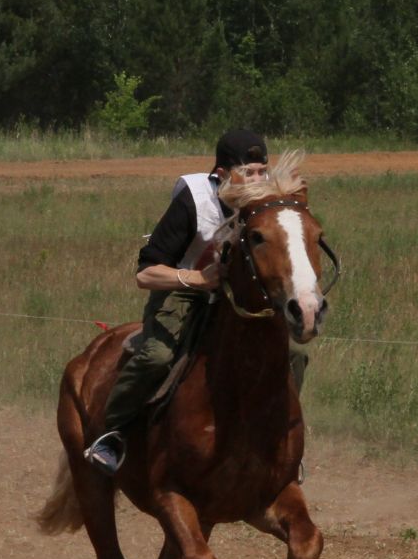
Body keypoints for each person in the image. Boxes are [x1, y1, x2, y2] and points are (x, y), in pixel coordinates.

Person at [82, 128, 306, 476]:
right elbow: (145, 274)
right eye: (249, 172)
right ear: (221, 174)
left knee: (294, 356)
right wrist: (198, 279)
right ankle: (112, 434)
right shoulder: (192, 201)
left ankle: (278, 437)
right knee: (158, 356)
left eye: (263, 170)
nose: (259, 179)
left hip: (234, 301)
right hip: (182, 291)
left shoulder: (263, 204)